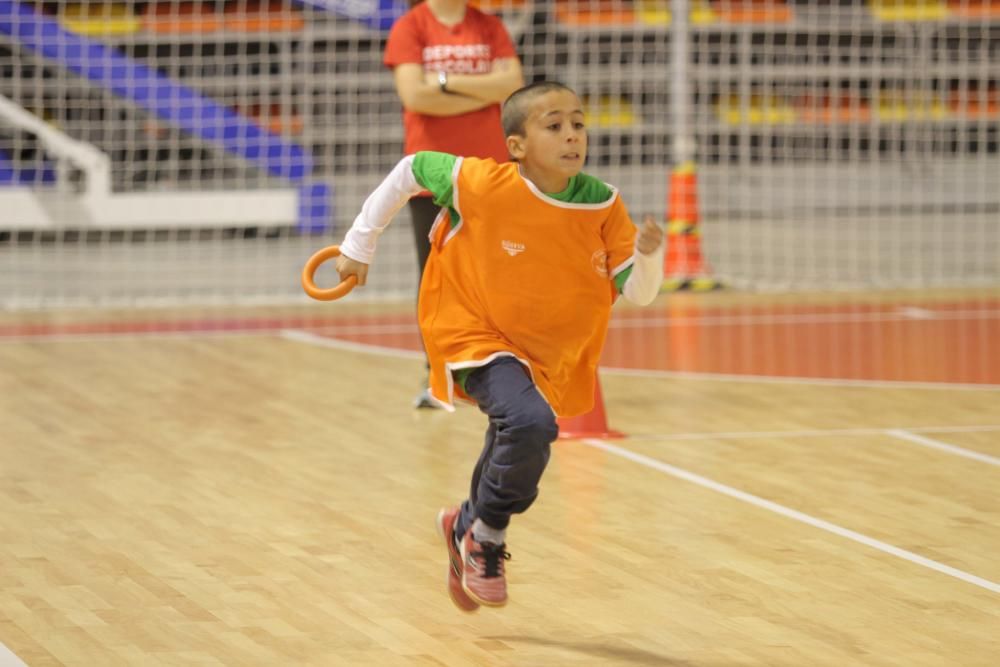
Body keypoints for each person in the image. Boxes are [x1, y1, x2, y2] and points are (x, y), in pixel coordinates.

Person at [333, 82, 665, 610]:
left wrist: (650, 256)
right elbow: (411, 169)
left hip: (547, 351)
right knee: (530, 423)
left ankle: (464, 523)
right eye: (553, 125)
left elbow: (641, 294)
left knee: (521, 430)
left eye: (578, 123)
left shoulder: (603, 203)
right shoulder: (480, 182)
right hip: (470, 329)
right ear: (516, 146)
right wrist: (357, 245)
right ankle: (485, 535)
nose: (572, 135)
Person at [384, 0, 525, 408]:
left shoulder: (490, 27)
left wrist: (442, 82)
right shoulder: (411, 28)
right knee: (436, 277)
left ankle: (496, 371)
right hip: (433, 177)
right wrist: (483, 91)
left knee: (497, 275)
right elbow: (415, 96)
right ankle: (437, 375)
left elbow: (513, 85)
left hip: (490, 172)